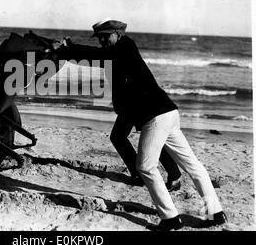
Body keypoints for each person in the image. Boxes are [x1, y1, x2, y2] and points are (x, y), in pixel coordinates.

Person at [59, 19, 227, 230]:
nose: (102, 40)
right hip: (168, 112)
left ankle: (171, 219)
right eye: (99, 37)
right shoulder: (121, 49)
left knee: (145, 166)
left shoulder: (124, 47)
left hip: (156, 116)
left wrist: (69, 49)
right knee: (192, 165)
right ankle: (216, 214)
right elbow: (101, 60)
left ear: (118, 34)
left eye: (105, 35)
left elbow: (97, 57)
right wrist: (70, 49)